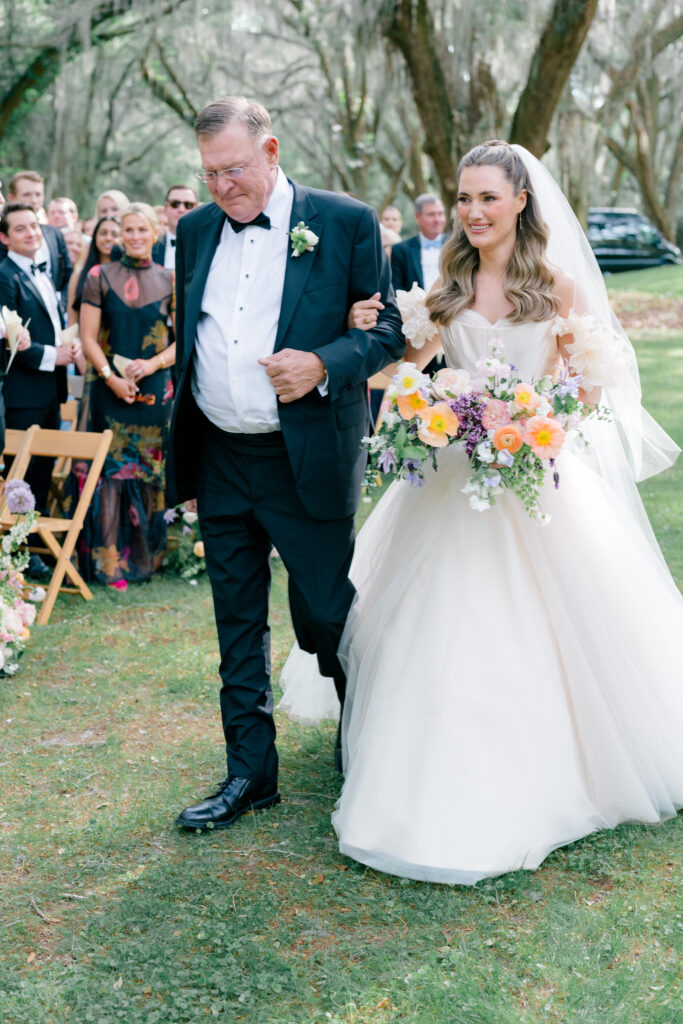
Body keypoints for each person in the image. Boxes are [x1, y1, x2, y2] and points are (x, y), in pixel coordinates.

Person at [279, 140, 683, 884]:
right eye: (464, 198)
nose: (472, 211)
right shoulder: (447, 281)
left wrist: (537, 417)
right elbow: (409, 365)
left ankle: (557, 759)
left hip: (536, 480)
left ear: (520, 201)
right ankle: (426, 761)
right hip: (452, 475)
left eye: (487, 198)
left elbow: (590, 388)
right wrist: (398, 365)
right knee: (440, 620)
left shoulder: (557, 288)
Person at [166, 95, 404, 833]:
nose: (221, 187)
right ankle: (249, 775)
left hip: (304, 458)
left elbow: (390, 329)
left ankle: (364, 751)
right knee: (235, 623)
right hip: (221, 457)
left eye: (234, 169)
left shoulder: (344, 223)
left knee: (327, 615)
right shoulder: (196, 231)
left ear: (270, 152)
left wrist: (325, 364)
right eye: (209, 174)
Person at [75, 202, 175, 591]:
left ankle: (145, 560)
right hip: (108, 388)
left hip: (153, 389)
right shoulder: (99, 275)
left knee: (147, 473)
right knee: (110, 476)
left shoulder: (170, 278)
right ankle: (109, 564)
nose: (133, 237)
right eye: (126, 231)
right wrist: (109, 377)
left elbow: (182, 341)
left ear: (155, 232)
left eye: (140, 230)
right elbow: (87, 337)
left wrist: (150, 367)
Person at [0, 204, 80, 535]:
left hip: (51, 390)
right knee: (23, 473)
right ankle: (17, 545)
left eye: (34, 226)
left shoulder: (42, 271)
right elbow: (9, 339)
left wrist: (68, 345)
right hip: (22, 392)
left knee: (43, 470)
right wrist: (53, 356)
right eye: (21, 228)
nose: (32, 233)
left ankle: (38, 543)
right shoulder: (4, 276)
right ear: (4, 237)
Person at [2, 172, 73, 316]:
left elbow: (68, 274)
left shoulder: (54, 234)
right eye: (27, 194)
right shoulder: (4, 235)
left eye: (38, 194)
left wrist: (60, 304)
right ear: (11, 197)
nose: (34, 200)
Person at [67, 216, 121, 324]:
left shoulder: (127, 276)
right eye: (103, 233)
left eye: (114, 235)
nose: (108, 238)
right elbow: (72, 321)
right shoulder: (78, 276)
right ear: (95, 237)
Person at [152, 185, 198, 269]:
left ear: (196, 209)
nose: (181, 209)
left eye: (188, 205)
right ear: (165, 209)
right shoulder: (151, 246)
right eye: (175, 204)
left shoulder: (207, 247)